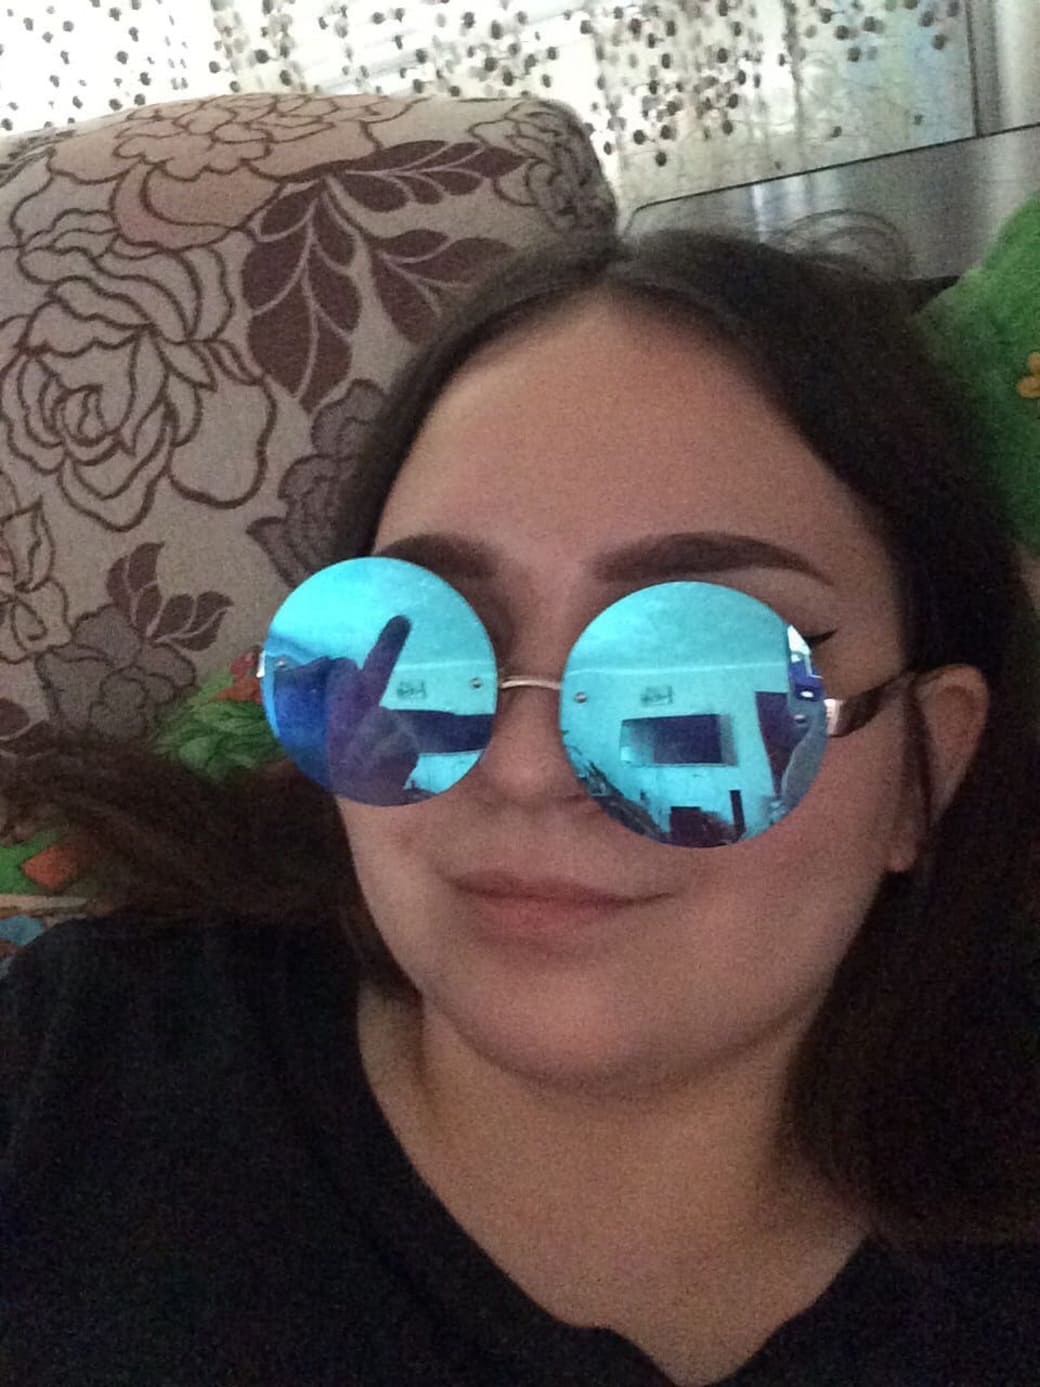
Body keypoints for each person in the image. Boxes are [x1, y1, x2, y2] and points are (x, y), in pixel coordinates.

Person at [1, 229, 1039, 1387]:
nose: (525, 766)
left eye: (696, 666)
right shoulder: (70, 1068)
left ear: (925, 768)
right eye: (424, 643)